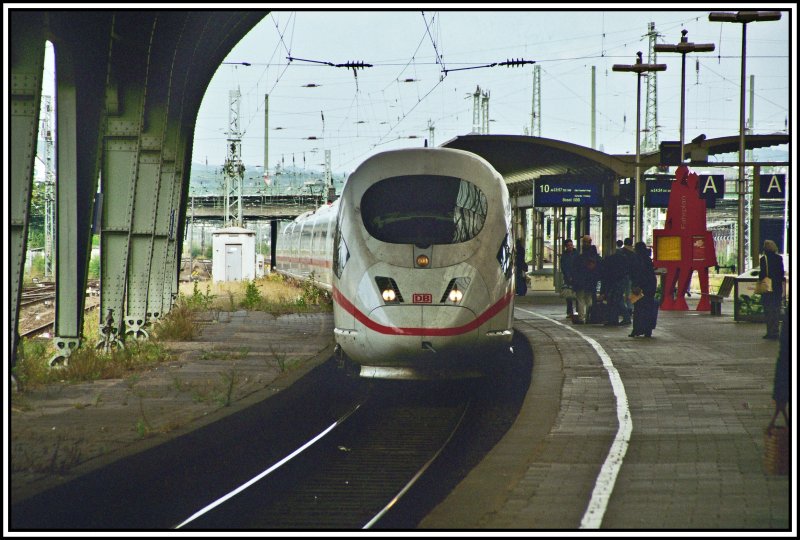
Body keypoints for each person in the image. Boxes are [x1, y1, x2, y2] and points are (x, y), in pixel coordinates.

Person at [629, 241, 658, 338]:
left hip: (640, 288)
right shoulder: (648, 259)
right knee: (648, 309)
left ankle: (637, 329)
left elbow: (636, 274)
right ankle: (647, 330)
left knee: (638, 309)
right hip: (650, 287)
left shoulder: (637, 259)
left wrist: (635, 285)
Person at [758, 239, 785, 339]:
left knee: (768, 310)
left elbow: (763, 274)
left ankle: (770, 332)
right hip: (777, 288)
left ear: (765, 248)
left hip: (767, 288)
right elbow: (781, 273)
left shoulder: (763, 259)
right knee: (776, 310)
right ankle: (775, 331)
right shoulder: (779, 258)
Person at [599, 240, 629, 326]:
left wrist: (603, 290)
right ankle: (615, 319)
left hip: (613, 282)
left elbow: (605, 274)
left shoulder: (608, 260)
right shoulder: (623, 258)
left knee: (614, 300)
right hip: (621, 281)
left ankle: (617, 319)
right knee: (616, 300)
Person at [573, 235, 601, 324]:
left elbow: (575, 269)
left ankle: (581, 318)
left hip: (581, 281)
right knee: (589, 299)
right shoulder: (595, 257)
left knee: (580, 299)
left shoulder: (580, 257)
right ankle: (589, 317)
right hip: (591, 281)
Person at [560, 239, 578, 318]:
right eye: (569, 245)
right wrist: (568, 276)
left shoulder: (576, 254)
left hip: (577, 277)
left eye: (571, 244)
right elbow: (564, 267)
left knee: (578, 294)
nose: (570, 246)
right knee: (569, 295)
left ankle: (578, 310)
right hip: (568, 278)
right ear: (566, 247)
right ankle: (570, 311)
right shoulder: (564, 256)